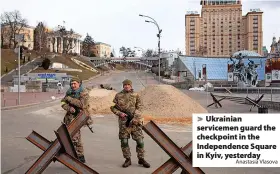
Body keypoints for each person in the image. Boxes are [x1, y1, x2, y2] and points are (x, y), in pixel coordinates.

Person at [110, 79, 150, 168]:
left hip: (135, 122)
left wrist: (135, 118)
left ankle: (141, 159)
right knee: (124, 141)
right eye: (125, 85)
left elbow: (140, 108)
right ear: (123, 86)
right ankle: (127, 159)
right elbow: (113, 108)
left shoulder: (136, 95)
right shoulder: (118, 95)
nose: (126, 86)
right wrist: (120, 113)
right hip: (123, 123)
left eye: (128, 84)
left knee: (140, 141)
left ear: (131, 86)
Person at [61, 76, 92, 163]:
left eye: (75, 83)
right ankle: (79, 155)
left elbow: (82, 105)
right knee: (74, 137)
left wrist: (70, 99)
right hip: (69, 118)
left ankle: (77, 156)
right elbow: (62, 102)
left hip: (79, 118)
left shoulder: (83, 93)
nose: (73, 85)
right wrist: (68, 108)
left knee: (74, 137)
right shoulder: (69, 92)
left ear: (79, 84)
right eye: (71, 84)